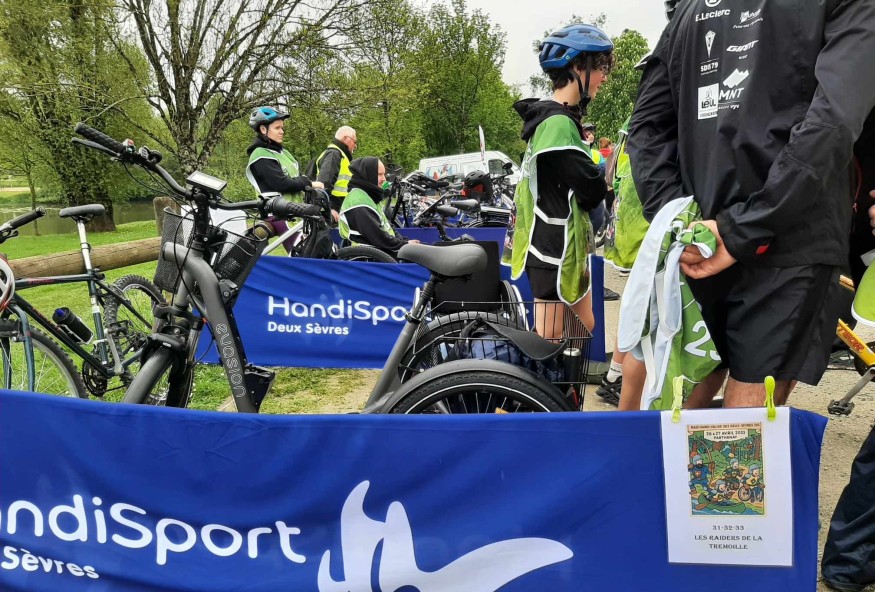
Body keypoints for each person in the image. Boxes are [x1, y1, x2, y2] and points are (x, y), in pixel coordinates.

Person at [627, 0, 875, 408]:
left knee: (684, 405)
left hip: (705, 238)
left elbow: (646, 127)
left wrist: (684, 223)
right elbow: (835, 119)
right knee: (743, 433)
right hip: (789, 242)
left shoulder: (688, 9)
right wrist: (741, 227)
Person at [503, 23, 613, 337]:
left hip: (559, 245)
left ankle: (562, 373)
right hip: (552, 247)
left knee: (582, 327)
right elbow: (592, 189)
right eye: (601, 67)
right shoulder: (557, 124)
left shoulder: (553, 119)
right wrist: (597, 174)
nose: (604, 77)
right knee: (549, 338)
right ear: (579, 67)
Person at [338, 156, 418, 257]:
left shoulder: (369, 196)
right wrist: (404, 245)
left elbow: (387, 226)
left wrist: (404, 242)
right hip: (368, 258)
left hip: (381, 253)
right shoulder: (358, 202)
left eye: (384, 174)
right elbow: (378, 237)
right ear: (368, 175)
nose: (384, 179)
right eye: (380, 174)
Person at [245, 106, 323, 200]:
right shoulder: (260, 155)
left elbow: (298, 177)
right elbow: (281, 184)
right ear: (263, 129)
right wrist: (308, 183)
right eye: (277, 128)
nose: (282, 132)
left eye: (282, 128)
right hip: (276, 209)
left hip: (296, 208)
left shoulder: (285, 153)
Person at [314, 126, 357, 222]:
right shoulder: (334, 154)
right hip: (334, 208)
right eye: (354, 142)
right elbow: (324, 183)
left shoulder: (340, 155)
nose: (355, 146)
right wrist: (329, 208)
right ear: (345, 139)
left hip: (339, 206)